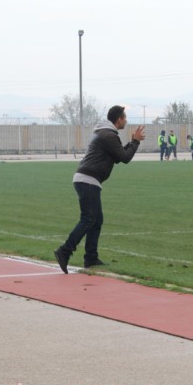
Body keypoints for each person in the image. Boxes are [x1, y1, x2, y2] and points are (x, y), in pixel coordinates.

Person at [54, 106, 145, 272]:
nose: (126, 120)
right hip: (88, 180)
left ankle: (91, 257)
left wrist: (132, 142)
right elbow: (125, 158)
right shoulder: (109, 135)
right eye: (125, 118)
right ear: (119, 119)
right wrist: (135, 142)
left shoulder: (105, 133)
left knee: (96, 220)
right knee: (89, 218)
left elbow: (118, 156)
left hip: (87, 179)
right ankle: (64, 251)